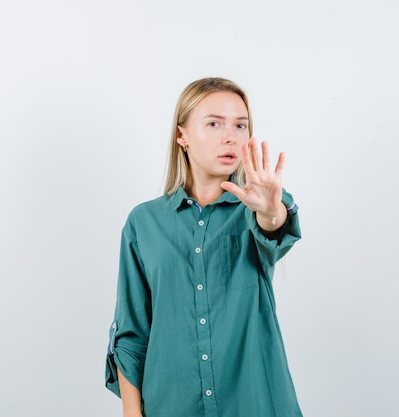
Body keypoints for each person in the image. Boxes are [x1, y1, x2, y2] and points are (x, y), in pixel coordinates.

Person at [105, 77, 303, 417]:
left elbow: (275, 226)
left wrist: (271, 211)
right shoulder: (143, 223)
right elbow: (131, 336)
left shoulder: (256, 208)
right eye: (214, 124)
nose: (231, 136)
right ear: (182, 136)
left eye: (241, 125)